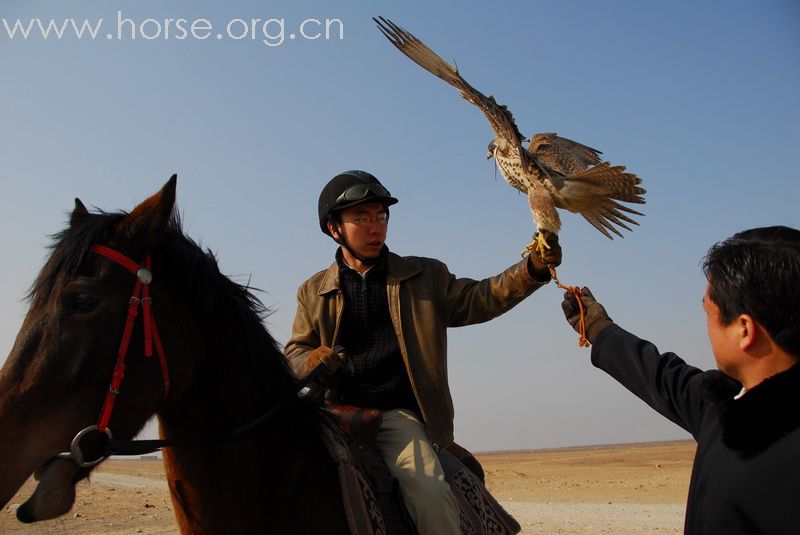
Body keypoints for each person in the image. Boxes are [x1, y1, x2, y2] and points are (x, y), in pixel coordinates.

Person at [285, 170, 561, 535]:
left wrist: (531, 270)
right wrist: (313, 360)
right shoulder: (312, 291)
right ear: (334, 228)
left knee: (429, 491)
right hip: (330, 414)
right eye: (361, 218)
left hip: (393, 418)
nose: (375, 228)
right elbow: (294, 352)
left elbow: (480, 299)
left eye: (380, 217)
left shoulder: (424, 276)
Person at [560, 226, 800, 534]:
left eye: (708, 312)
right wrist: (598, 328)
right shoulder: (728, 410)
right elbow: (661, 377)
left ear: (744, 330)